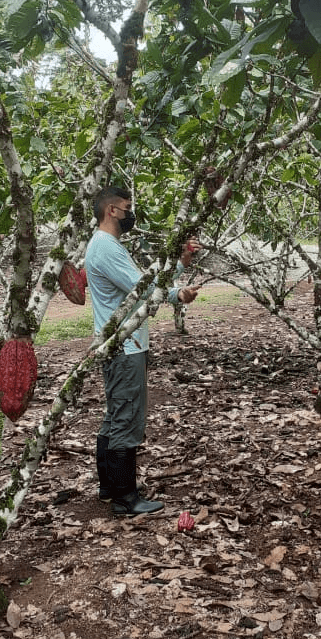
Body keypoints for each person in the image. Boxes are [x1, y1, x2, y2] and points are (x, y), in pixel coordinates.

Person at [85, 185, 199, 518]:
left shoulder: (105, 245)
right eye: (127, 206)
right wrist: (177, 293)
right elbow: (143, 288)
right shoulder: (106, 246)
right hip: (125, 346)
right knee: (126, 417)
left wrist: (178, 266)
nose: (130, 212)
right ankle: (126, 498)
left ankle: (110, 488)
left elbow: (140, 282)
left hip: (118, 342)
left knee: (115, 414)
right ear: (112, 211)